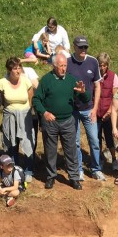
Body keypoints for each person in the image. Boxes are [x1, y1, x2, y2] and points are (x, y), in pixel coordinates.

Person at [33, 52, 84, 190]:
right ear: (54, 66)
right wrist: (44, 112)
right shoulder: (46, 80)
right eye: (61, 66)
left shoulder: (71, 80)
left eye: (65, 65)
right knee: (50, 150)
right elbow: (36, 99)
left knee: (71, 150)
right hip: (50, 121)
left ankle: (74, 177)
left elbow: (85, 99)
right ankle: (50, 177)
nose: (63, 68)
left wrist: (83, 92)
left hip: (68, 120)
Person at [66, 37, 105, 180]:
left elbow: (97, 86)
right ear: (74, 47)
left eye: (85, 47)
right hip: (72, 110)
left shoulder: (92, 61)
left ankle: (96, 169)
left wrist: (95, 109)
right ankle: (79, 169)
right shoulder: (68, 62)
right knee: (75, 141)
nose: (83, 50)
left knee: (94, 139)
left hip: (88, 109)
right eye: (81, 47)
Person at [0, 56, 36, 184]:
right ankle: (13, 169)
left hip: (24, 115)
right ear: (9, 70)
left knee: (27, 142)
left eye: (19, 68)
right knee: (11, 143)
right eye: (15, 68)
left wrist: (26, 110)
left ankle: (29, 170)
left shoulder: (25, 81)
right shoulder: (2, 82)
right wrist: (10, 110)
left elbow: (30, 96)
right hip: (10, 115)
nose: (18, 71)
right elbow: (2, 99)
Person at [96, 53, 118, 168]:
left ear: (107, 65)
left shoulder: (113, 76)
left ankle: (114, 159)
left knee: (109, 138)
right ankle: (99, 159)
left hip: (108, 114)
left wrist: (110, 111)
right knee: (97, 138)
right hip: (96, 113)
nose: (102, 68)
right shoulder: (94, 76)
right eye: (100, 65)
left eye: (104, 65)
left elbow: (115, 97)